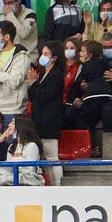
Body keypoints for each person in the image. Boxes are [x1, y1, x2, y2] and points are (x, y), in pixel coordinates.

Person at [27, 41, 65, 185]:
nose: (43, 56)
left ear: (54, 57)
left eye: (46, 54)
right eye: (42, 53)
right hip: (39, 119)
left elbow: (44, 96)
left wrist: (33, 84)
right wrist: (33, 84)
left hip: (50, 120)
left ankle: (57, 185)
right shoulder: (44, 73)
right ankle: (50, 184)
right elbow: (33, 95)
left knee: (52, 157)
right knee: (45, 158)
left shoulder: (56, 74)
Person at [0, 20, 31, 124]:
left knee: (10, 140)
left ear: (7, 37)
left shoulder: (21, 56)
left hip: (13, 110)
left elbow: (14, 82)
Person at [0, 116, 45, 186]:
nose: (9, 125)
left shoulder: (32, 146)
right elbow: (7, 171)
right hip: (11, 185)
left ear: (21, 126)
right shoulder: (11, 147)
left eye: (13, 123)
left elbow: (29, 176)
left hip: (28, 187)